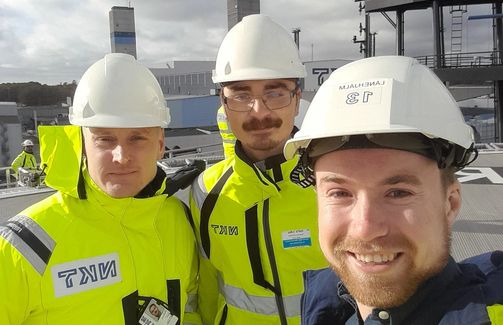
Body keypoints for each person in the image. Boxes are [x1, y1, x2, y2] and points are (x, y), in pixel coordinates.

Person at [283, 55, 503, 324]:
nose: (365, 228)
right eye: (340, 193)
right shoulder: (325, 306)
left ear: (451, 203)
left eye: (398, 193)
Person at [0, 53, 201, 324]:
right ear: (83, 146)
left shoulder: (179, 220)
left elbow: (189, 307)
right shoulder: (26, 246)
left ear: (160, 143)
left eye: (137, 138)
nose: (121, 156)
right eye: (105, 140)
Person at [189, 14, 327, 324]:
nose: (259, 111)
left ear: (297, 99)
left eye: (274, 93)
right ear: (225, 105)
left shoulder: (335, 183)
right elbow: (206, 287)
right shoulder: (205, 193)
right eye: (241, 95)